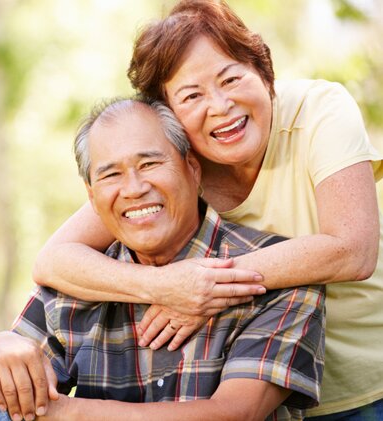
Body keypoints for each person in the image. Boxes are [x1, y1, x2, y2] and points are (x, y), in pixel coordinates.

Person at [31, 1, 383, 419]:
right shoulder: (176, 165)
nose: (219, 106)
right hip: (259, 379)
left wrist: (202, 289)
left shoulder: (320, 110)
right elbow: (55, 260)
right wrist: (161, 286)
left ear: (263, 72)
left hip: (365, 381)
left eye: (231, 78)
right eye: (191, 95)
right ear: (167, 115)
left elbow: (353, 250)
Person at [0, 97, 325, 421]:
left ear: (192, 170)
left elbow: (236, 415)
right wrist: (4, 350)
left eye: (150, 164)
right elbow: (11, 387)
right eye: (111, 175)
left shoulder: (275, 272)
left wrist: (69, 413)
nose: (134, 188)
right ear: (91, 196)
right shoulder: (81, 279)